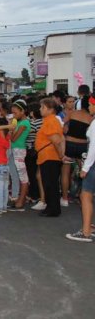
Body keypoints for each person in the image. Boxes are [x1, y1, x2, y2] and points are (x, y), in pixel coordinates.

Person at [66, 94, 95, 242]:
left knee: (85, 195)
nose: (89, 107)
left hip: (92, 164)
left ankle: (86, 232)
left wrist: (86, 168)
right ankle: (89, 227)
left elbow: (93, 148)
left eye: (91, 104)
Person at [35, 98, 65, 217]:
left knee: (50, 184)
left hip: (50, 157)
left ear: (50, 109)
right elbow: (61, 139)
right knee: (49, 183)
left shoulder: (51, 121)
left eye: (43, 107)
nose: (40, 109)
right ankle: (51, 207)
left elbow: (57, 140)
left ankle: (53, 209)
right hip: (47, 156)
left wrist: (60, 154)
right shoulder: (49, 120)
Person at [60, 96, 91, 207]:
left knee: (65, 171)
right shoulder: (91, 117)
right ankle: (83, 195)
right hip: (83, 146)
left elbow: (62, 123)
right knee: (84, 171)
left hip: (69, 143)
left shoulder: (73, 113)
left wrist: (66, 130)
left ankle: (64, 198)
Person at [7, 99, 31, 211]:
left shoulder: (24, 123)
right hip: (13, 149)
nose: (14, 115)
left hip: (19, 151)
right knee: (14, 174)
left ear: (23, 111)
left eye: (15, 113)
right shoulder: (18, 122)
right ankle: (16, 197)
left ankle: (21, 200)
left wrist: (11, 128)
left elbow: (14, 138)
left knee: (23, 176)